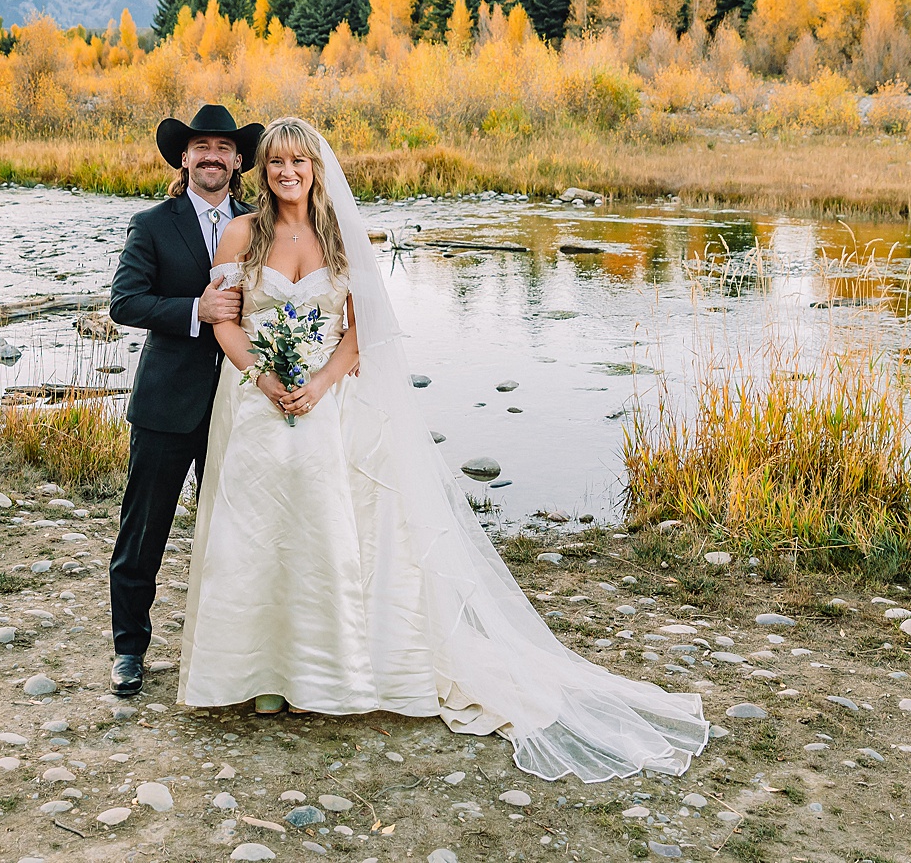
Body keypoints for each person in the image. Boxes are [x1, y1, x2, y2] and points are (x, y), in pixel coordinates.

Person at [178, 117, 711, 782]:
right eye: (277, 162)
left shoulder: (339, 234)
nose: (288, 172)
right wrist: (264, 377)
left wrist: (316, 382)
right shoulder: (241, 233)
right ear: (261, 170)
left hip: (325, 405)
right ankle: (258, 673)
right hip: (255, 406)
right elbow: (224, 319)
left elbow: (360, 332)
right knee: (252, 534)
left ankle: (320, 675)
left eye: (300, 162)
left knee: (324, 535)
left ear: (316, 169)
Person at [105, 103, 263, 698]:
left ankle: (235, 654)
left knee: (238, 531)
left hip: (242, 405)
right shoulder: (152, 224)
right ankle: (129, 649)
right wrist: (194, 311)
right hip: (167, 405)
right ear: (184, 158)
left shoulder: (262, 222)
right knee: (143, 531)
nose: (213, 157)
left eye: (224, 148)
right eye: (202, 148)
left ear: (239, 160)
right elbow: (125, 303)